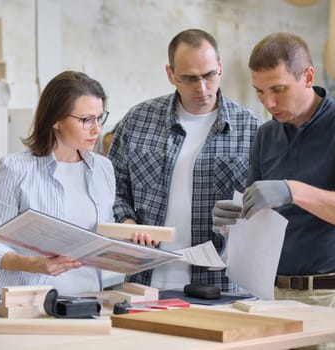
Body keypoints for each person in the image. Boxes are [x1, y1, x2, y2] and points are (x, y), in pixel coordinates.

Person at [212, 32, 335, 349]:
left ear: (307, 76)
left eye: (278, 89)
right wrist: (232, 222)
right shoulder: (266, 135)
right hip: (272, 296)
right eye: (260, 92)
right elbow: (259, 217)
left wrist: (293, 190)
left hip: (331, 298)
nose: (268, 103)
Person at [108, 29, 261, 292]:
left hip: (220, 286)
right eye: (189, 78)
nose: (202, 88)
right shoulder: (138, 121)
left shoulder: (251, 129)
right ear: (170, 75)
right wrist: (127, 223)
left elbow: (264, 212)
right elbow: (112, 187)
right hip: (145, 281)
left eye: (209, 75)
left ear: (220, 66)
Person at [0, 71, 115, 295]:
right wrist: (34, 264)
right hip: (29, 305)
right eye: (86, 120)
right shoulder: (15, 169)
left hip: (89, 301)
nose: (96, 129)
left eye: (100, 118)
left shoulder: (103, 169)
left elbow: (104, 236)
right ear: (56, 119)